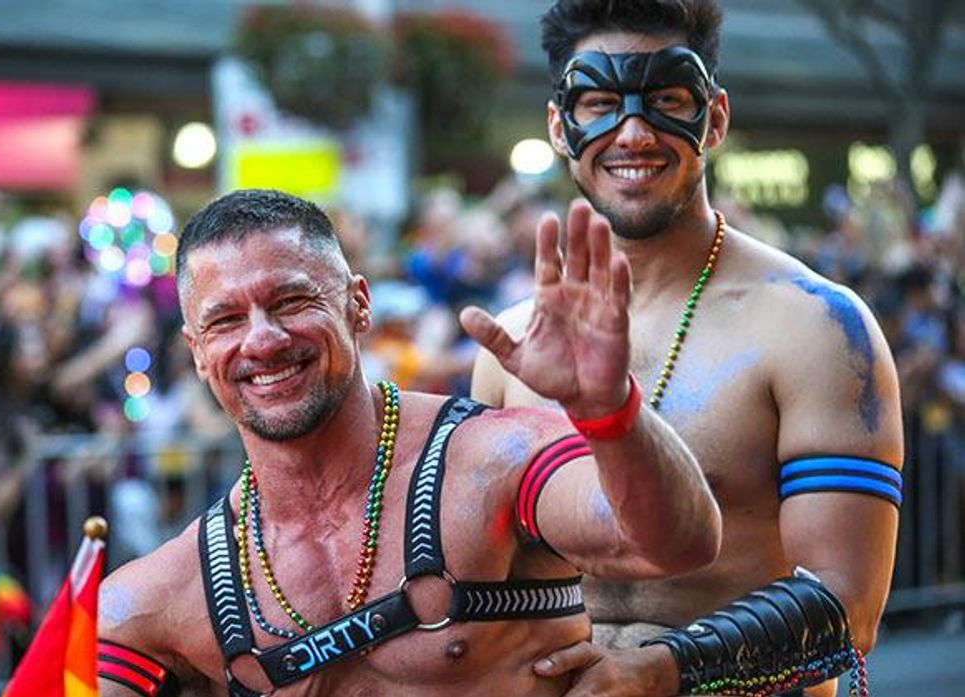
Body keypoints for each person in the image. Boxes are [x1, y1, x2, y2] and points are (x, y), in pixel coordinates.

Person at [98, 188, 721, 696]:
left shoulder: (492, 460)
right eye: (227, 320)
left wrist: (610, 412)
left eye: (291, 301)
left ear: (358, 305)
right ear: (197, 351)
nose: (262, 340)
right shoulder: (160, 598)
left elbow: (678, 543)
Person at [471, 2, 904, 695]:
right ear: (559, 126)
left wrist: (657, 671)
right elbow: (485, 585)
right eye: (599, 104)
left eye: (668, 100)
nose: (633, 133)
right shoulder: (512, 346)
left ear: (715, 118)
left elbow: (848, 605)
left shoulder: (815, 326)